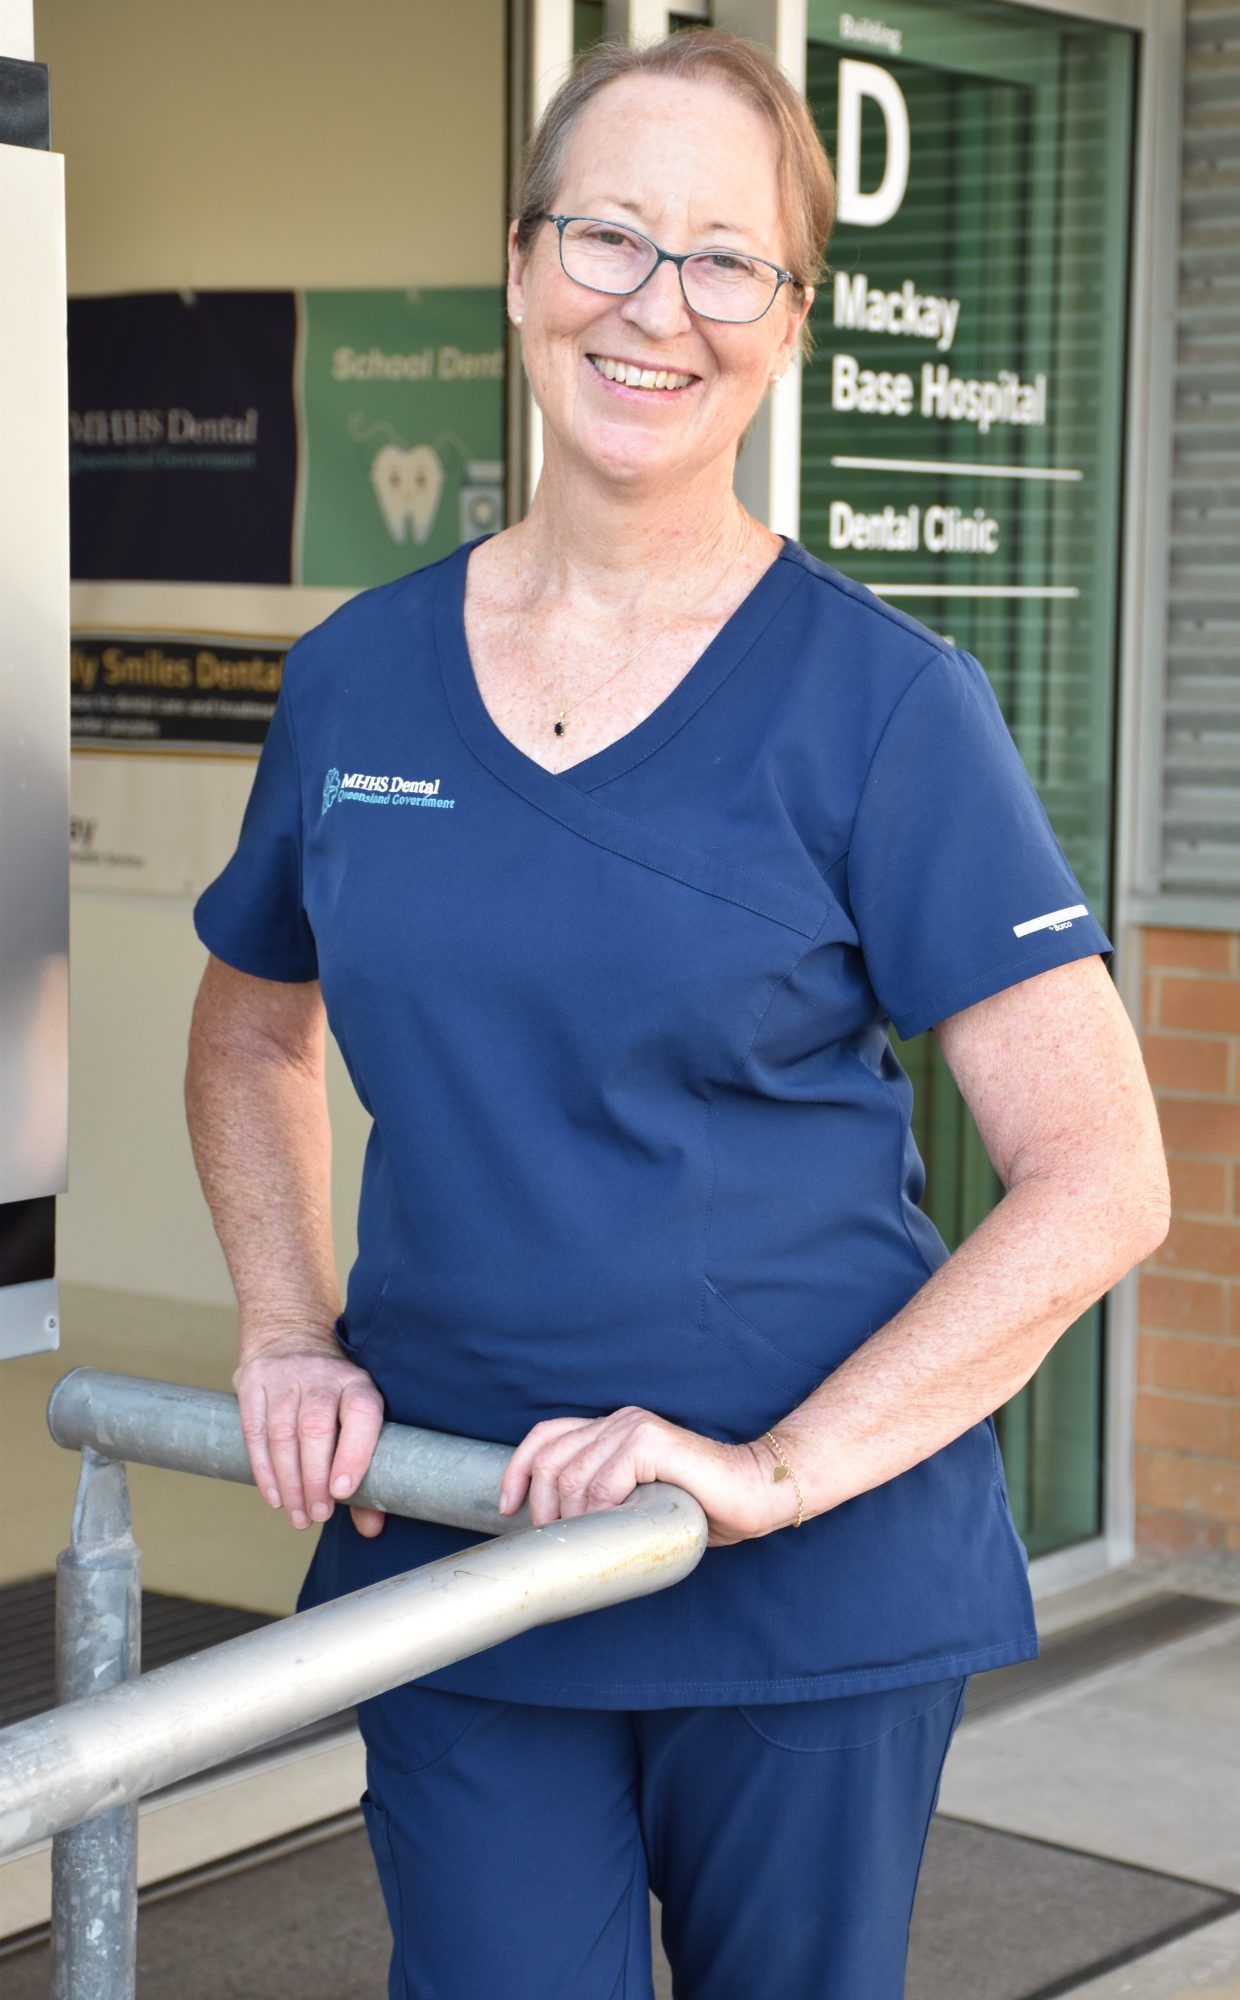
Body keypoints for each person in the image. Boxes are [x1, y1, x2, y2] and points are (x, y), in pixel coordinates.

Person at [185, 26, 1170, 1999]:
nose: (660, 304)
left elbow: (1098, 1180)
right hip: (461, 1543)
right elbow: (250, 1032)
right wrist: (288, 1329)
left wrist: (781, 1470)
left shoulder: (887, 709)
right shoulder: (358, 686)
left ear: (792, 319)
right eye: (613, 236)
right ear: (524, 263)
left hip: (801, 1578)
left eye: (727, 257)